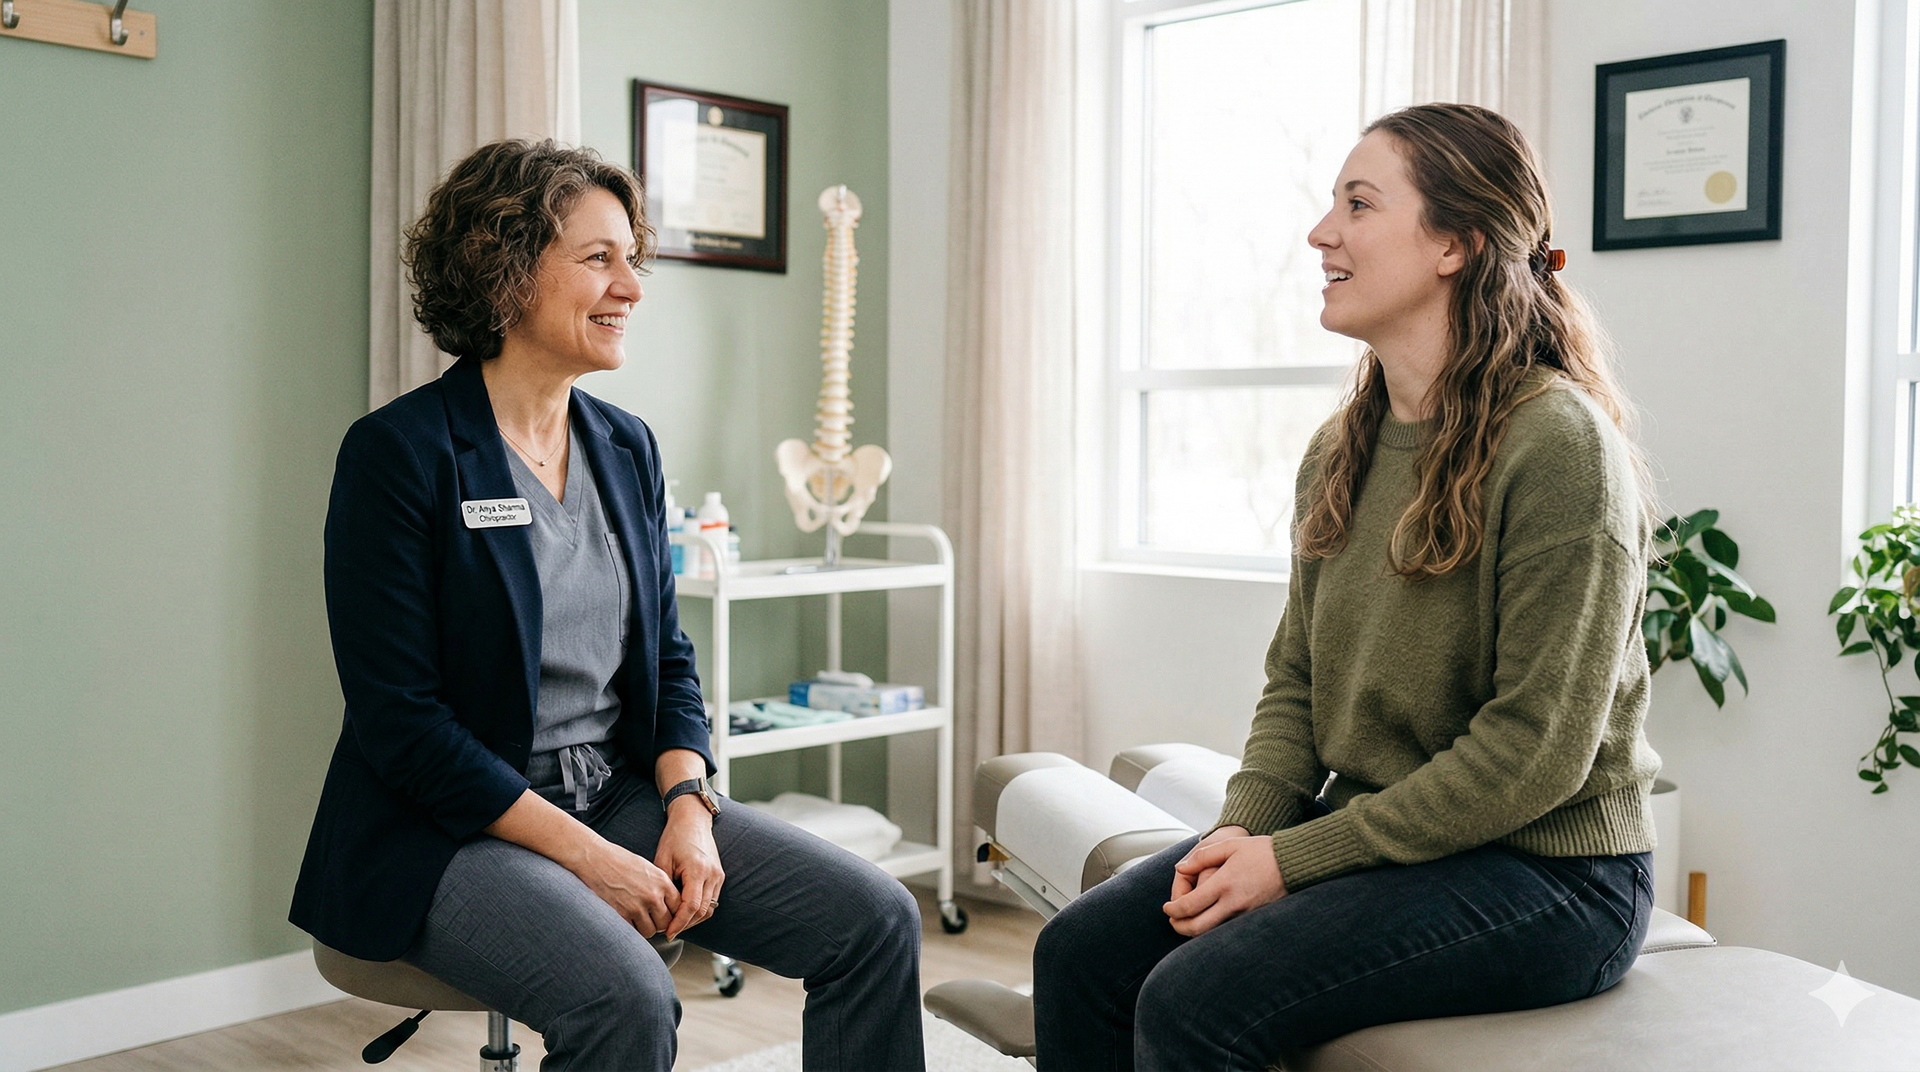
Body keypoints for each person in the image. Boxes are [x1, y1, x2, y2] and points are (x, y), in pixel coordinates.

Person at [1032, 103, 1661, 1070]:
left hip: (1554, 875)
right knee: (1080, 953)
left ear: (1455, 242)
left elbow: (1534, 754)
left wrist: (1289, 862)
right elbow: (1298, 684)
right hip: (1396, 835)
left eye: (1358, 204)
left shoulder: (1561, 445)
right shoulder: (1344, 446)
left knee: (1197, 1002)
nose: (1322, 230)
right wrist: (1241, 834)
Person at [289, 139, 925, 1072]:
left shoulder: (625, 447)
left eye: (633, 257)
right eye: (599, 259)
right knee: (625, 997)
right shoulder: (400, 454)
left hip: (616, 791)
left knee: (875, 921)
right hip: (443, 828)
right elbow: (404, 727)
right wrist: (589, 860)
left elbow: (668, 659)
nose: (632, 285)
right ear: (502, 270)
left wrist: (690, 805)